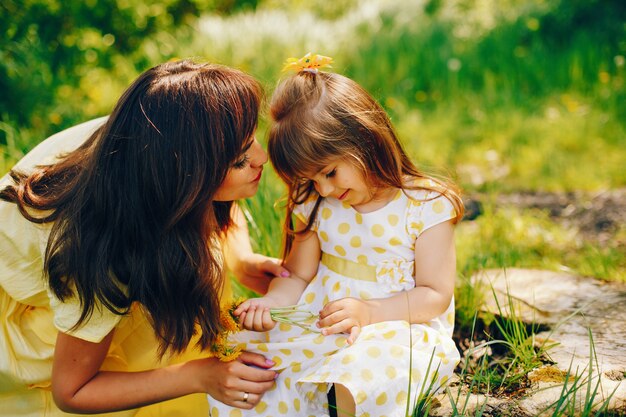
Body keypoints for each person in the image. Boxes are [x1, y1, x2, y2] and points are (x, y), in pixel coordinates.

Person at [0, 59, 290, 417]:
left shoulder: (156, 135)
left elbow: (218, 197)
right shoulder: (103, 256)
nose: (262, 157)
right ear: (187, 182)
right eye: (240, 160)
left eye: (251, 139)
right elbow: (72, 391)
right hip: (42, 302)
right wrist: (200, 375)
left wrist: (241, 259)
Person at [207, 53, 465, 417]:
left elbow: (434, 295)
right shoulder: (314, 201)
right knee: (254, 368)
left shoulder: (424, 204)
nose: (324, 189)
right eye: (311, 179)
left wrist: (370, 312)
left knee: (364, 375)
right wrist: (272, 303)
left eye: (329, 173)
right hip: (321, 322)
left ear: (366, 140)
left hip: (400, 325)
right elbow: (297, 274)